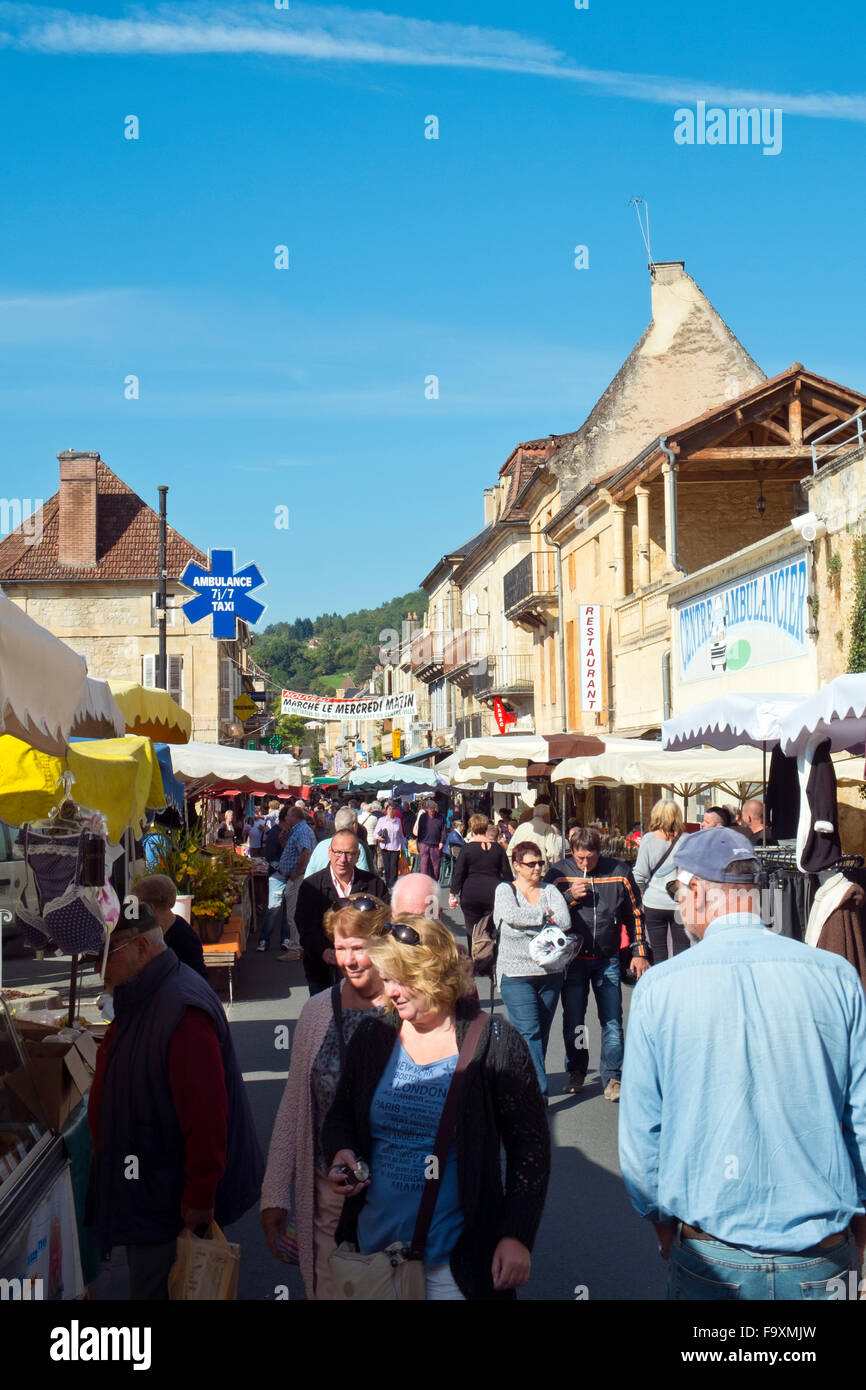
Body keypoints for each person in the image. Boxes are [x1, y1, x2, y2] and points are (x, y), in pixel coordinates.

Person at [619, 827, 866, 1300]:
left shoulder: (661, 987)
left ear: (697, 893)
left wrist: (660, 1218)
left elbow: (641, 1128)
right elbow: (861, 1112)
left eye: (676, 891)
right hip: (820, 1245)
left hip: (711, 1247)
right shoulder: (834, 976)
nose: (676, 905)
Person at [322, 915, 550, 1300]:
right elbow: (340, 1115)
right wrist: (341, 1151)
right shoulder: (373, 1035)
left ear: (433, 973)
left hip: (454, 1269)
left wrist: (517, 1235)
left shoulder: (494, 1042)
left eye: (401, 978)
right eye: (387, 978)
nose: (390, 991)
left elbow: (531, 1148)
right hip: (373, 1259)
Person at [86, 905, 264, 1299]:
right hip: (150, 1191)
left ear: (143, 947)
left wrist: (199, 1200)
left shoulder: (181, 1008)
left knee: (167, 1285)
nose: (102, 969)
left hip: (165, 1201)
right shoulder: (149, 994)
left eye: (109, 956)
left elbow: (206, 1116)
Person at [261, 895, 390, 1299]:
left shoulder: (406, 1009)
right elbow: (294, 1105)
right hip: (328, 1193)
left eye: (359, 948)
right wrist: (276, 1193)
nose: (348, 960)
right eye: (340, 947)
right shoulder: (317, 1011)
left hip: (395, 1199)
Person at [545, 826, 649, 1100]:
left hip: (608, 957)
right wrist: (568, 898)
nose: (585, 863)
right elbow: (544, 913)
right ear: (573, 852)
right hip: (573, 958)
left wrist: (639, 951)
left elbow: (635, 914)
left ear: (599, 852)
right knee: (576, 1020)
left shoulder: (619, 872)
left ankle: (613, 1075)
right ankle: (577, 1069)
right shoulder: (558, 873)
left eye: (590, 858)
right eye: (580, 858)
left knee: (612, 1019)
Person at [494, 841, 573, 1099]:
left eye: (541, 863)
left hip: (550, 973)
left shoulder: (550, 889)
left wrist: (530, 921)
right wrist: (544, 917)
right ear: (516, 865)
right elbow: (509, 916)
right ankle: (538, 1095)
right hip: (515, 975)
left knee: (539, 1034)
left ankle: (522, 1080)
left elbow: (565, 920)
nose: (538, 868)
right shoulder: (505, 890)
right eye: (531, 864)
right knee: (530, 1032)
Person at [295, 831, 388, 994]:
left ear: (358, 855)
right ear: (330, 852)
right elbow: (305, 926)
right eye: (338, 852)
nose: (343, 860)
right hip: (321, 972)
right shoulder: (311, 887)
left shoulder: (374, 885)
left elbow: (385, 924)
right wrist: (323, 951)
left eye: (349, 854)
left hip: (365, 972)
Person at [632, 800, 690, 964]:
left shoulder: (649, 839)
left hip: (654, 902)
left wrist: (641, 891)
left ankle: (661, 986)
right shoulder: (688, 840)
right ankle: (680, 985)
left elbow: (640, 874)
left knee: (658, 952)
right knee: (682, 952)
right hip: (681, 902)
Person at [257, 807, 314, 959]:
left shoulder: (301, 830)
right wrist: (283, 841)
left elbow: (306, 851)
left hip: (295, 877)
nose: (285, 818)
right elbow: (293, 851)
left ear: (294, 816)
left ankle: (295, 948)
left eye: (287, 815)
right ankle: (292, 945)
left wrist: (298, 871)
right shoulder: (296, 829)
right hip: (290, 876)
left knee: (292, 912)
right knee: (290, 911)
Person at [449, 814, 513, 946]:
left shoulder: (467, 849)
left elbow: (459, 873)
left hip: (471, 894)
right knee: (492, 929)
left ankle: (475, 959)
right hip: (493, 893)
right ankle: (490, 957)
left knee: (471, 930)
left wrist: (452, 894)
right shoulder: (498, 848)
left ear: (472, 827)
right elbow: (507, 873)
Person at [131, 873, 207, 980]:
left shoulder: (184, 937)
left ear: (151, 907)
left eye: (138, 906)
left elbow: (196, 979)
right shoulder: (155, 931)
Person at [304, 808, 371, 877]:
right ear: (355, 826)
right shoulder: (357, 847)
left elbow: (308, 876)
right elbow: (364, 878)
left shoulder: (320, 846)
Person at [507, 803, 563, 872]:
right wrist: (556, 870)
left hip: (521, 871)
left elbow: (509, 851)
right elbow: (553, 853)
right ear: (546, 816)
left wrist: (514, 870)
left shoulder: (521, 827)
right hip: (539, 871)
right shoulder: (547, 828)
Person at [375, 801, 407, 891]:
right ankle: (388, 883)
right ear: (386, 810)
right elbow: (375, 833)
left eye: (393, 809)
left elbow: (401, 835)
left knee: (394, 866)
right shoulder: (382, 820)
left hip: (396, 846)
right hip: (385, 846)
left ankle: (393, 883)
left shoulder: (398, 821)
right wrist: (379, 838)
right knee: (387, 866)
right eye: (389, 809)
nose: (391, 811)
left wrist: (403, 848)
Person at [415, 798, 446, 882]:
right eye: (430, 808)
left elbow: (443, 831)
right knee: (424, 866)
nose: (432, 810)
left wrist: (442, 842)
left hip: (436, 845)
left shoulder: (440, 817)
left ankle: (434, 882)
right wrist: (420, 843)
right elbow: (420, 830)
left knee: (435, 868)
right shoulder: (423, 817)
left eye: (433, 808)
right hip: (424, 844)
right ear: (427, 809)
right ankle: (424, 883)